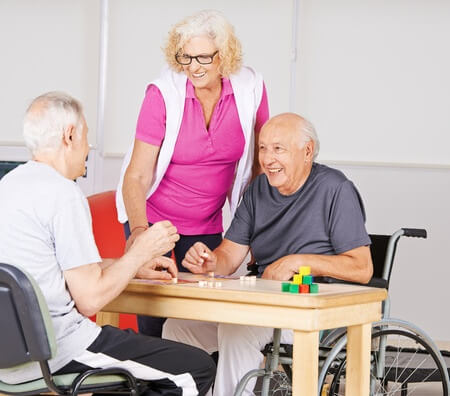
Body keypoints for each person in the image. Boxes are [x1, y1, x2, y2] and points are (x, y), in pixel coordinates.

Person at [0, 92, 215, 395]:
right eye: (86, 136)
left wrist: (133, 267)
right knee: (195, 369)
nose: (88, 148)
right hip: (61, 353)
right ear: (70, 135)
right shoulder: (62, 193)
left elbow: (62, 270)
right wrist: (141, 248)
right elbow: (90, 299)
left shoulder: (9, 185)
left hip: (10, 362)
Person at [162, 113, 374, 395]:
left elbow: (362, 268)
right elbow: (229, 256)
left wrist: (299, 262)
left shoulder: (335, 189)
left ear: (307, 151)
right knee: (179, 327)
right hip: (262, 305)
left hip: (308, 311)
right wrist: (210, 262)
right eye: (262, 148)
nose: (267, 158)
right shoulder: (257, 190)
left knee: (237, 330)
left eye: (278, 149)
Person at [116, 9, 269, 337]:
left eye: (203, 57)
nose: (193, 67)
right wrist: (141, 233)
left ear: (224, 55)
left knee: (202, 314)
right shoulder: (163, 94)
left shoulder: (250, 88)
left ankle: (199, 384)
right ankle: (155, 384)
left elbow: (259, 164)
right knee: (154, 315)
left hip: (207, 219)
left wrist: (252, 230)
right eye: (185, 57)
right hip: (153, 215)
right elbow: (137, 175)